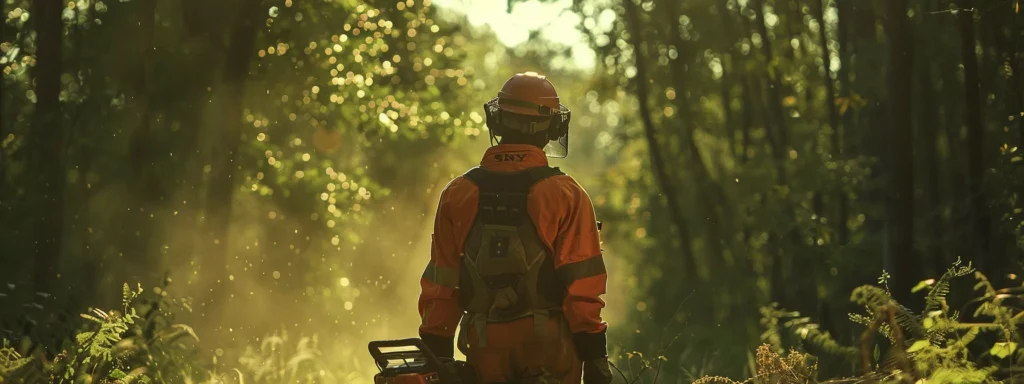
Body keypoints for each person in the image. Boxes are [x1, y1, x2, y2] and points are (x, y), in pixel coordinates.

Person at [417, 71, 613, 384]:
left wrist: (435, 348)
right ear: (552, 128)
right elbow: (583, 284)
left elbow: (442, 284)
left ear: (496, 122)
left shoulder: (457, 193)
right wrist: (594, 354)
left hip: (484, 342)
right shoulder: (567, 194)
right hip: (550, 345)